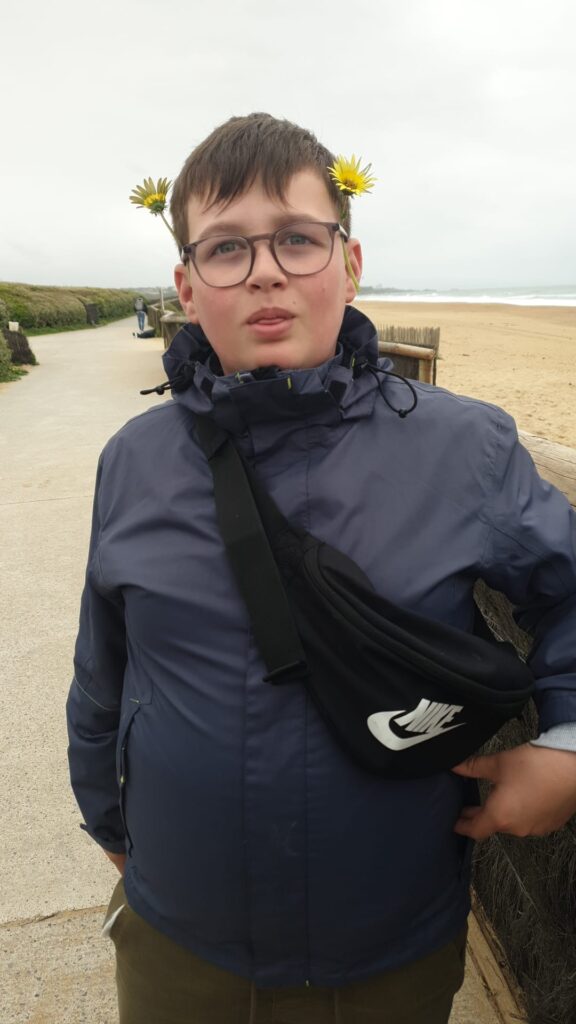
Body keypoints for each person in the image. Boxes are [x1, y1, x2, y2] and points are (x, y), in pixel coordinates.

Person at [66, 113, 576, 1024]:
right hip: (179, 932)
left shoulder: (465, 447)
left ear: (350, 263)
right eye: (226, 248)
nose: (265, 270)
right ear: (187, 287)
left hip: (391, 940)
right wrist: (107, 817)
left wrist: (568, 745)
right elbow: (103, 669)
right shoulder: (133, 460)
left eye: (297, 239)